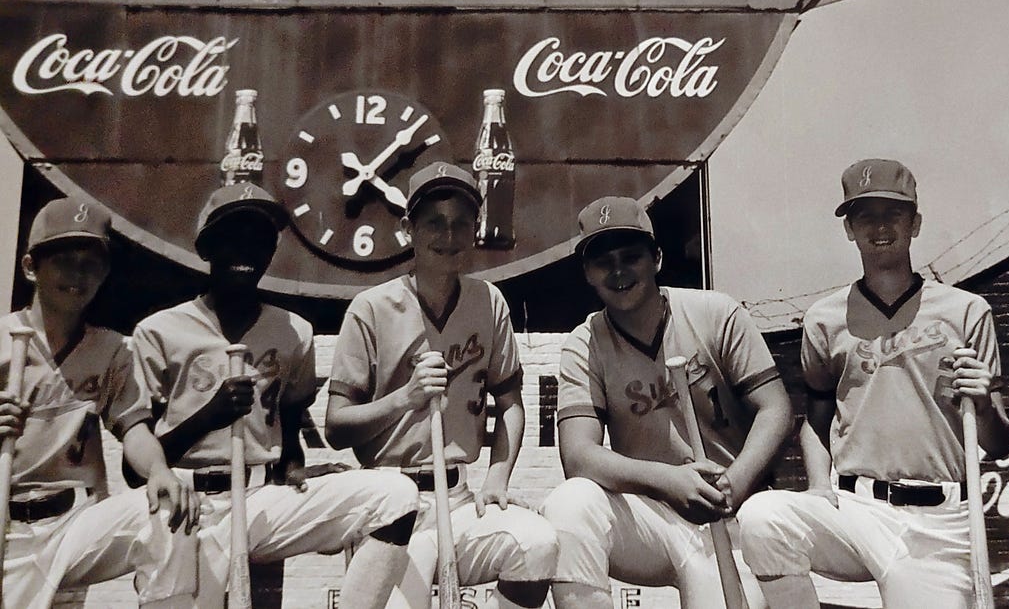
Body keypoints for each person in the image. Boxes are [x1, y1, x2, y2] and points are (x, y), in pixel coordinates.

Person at [737, 158, 1009, 608]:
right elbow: (818, 418)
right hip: (858, 507)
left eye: (893, 213)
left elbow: (999, 445)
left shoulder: (966, 311)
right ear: (849, 228)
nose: (879, 226)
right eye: (865, 215)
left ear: (915, 223)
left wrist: (982, 405)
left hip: (939, 521)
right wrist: (818, 486)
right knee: (764, 517)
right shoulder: (825, 318)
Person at [130, 183, 420, 607]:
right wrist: (209, 417)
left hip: (261, 501)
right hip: (185, 505)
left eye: (261, 238)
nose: (248, 249)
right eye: (234, 236)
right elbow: (133, 471)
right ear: (207, 246)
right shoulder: (158, 331)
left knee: (394, 496)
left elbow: (286, 437)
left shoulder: (293, 331)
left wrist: (299, 470)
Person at [541, 195, 794, 609]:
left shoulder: (715, 312)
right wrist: (668, 480)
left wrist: (734, 485)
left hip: (728, 514)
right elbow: (579, 457)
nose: (619, 271)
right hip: (650, 517)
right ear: (588, 272)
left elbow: (775, 408)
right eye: (604, 261)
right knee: (569, 505)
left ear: (656, 258)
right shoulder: (586, 343)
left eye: (631, 257)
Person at [328, 162, 557, 609]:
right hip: (390, 502)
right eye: (433, 222)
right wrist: (405, 398)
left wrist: (497, 474)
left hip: (458, 495)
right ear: (407, 229)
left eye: (460, 224)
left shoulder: (487, 301)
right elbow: (337, 426)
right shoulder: (370, 308)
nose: (448, 236)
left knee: (538, 545)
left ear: (475, 231)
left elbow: (509, 402)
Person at [0, 197, 200, 608]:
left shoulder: (110, 349)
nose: (79, 274)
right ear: (30, 268)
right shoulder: (3, 340)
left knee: (166, 515)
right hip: (7, 526)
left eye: (92, 262)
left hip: (76, 520)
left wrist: (160, 470)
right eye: (64, 260)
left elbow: (135, 429)